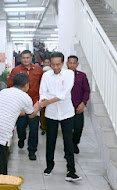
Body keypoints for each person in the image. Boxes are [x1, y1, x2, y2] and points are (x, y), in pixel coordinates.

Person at [39, 52, 82, 182]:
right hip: (51, 113)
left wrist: (47, 102)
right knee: (50, 140)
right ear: (50, 63)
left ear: (63, 63)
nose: (55, 67)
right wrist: (44, 99)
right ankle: (49, 166)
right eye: (53, 64)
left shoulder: (69, 74)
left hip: (66, 113)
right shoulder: (46, 75)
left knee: (68, 141)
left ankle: (71, 171)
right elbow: (42, 92)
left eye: (58, 64)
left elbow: (64, 94)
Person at [7, 50, 43, 160]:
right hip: (20, 104)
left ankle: (32, 151)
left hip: (34, 103)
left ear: (31, 58)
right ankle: (21, 138)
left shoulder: (38, 70)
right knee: (21, 127)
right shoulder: (15, 71)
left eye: (27, 57)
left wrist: (41, 101)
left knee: (34, 128)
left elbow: (43, 85)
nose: (25, 60)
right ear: (20, 59)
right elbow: (10, 87)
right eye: (23, 58)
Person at [67, 55, 90, 154]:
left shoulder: (82, 76)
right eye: (70, 63)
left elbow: (87, 91)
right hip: (66, 108)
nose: (72, 65)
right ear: (67, 64)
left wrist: (83, 103)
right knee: (67, 130)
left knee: (78, 128)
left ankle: (75, 143)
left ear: (77, 64)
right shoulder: (63, 75)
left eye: (74, 63)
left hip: (78, 107)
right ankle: (68, 149)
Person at [40, 58, 52, 135]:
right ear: (43, 63)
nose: (47, 63)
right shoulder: (40, 72)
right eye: (46, 62)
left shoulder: (53, 72)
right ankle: (44, 128)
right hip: (43, 96)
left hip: (51, 97)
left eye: (48, 62)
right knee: (43, 113)